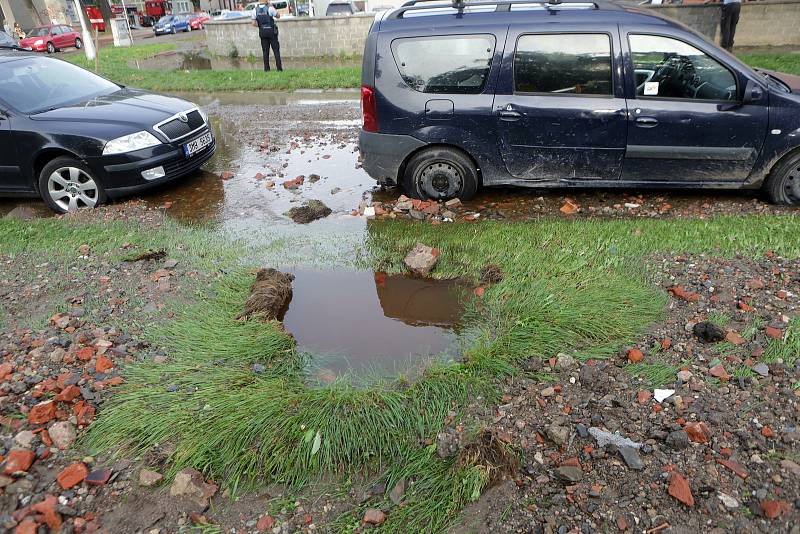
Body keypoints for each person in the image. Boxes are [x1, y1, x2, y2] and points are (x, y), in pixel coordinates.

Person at [251, 2, 282, 72]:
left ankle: (266, 69)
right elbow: (278, 16)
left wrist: (260, 26)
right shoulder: (270, 8)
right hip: (271, 31)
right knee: (276, 50)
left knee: (265, 51)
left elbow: (253, 23)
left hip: (262, 31)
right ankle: (279, 69)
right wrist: (273, 7)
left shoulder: (255, 10)